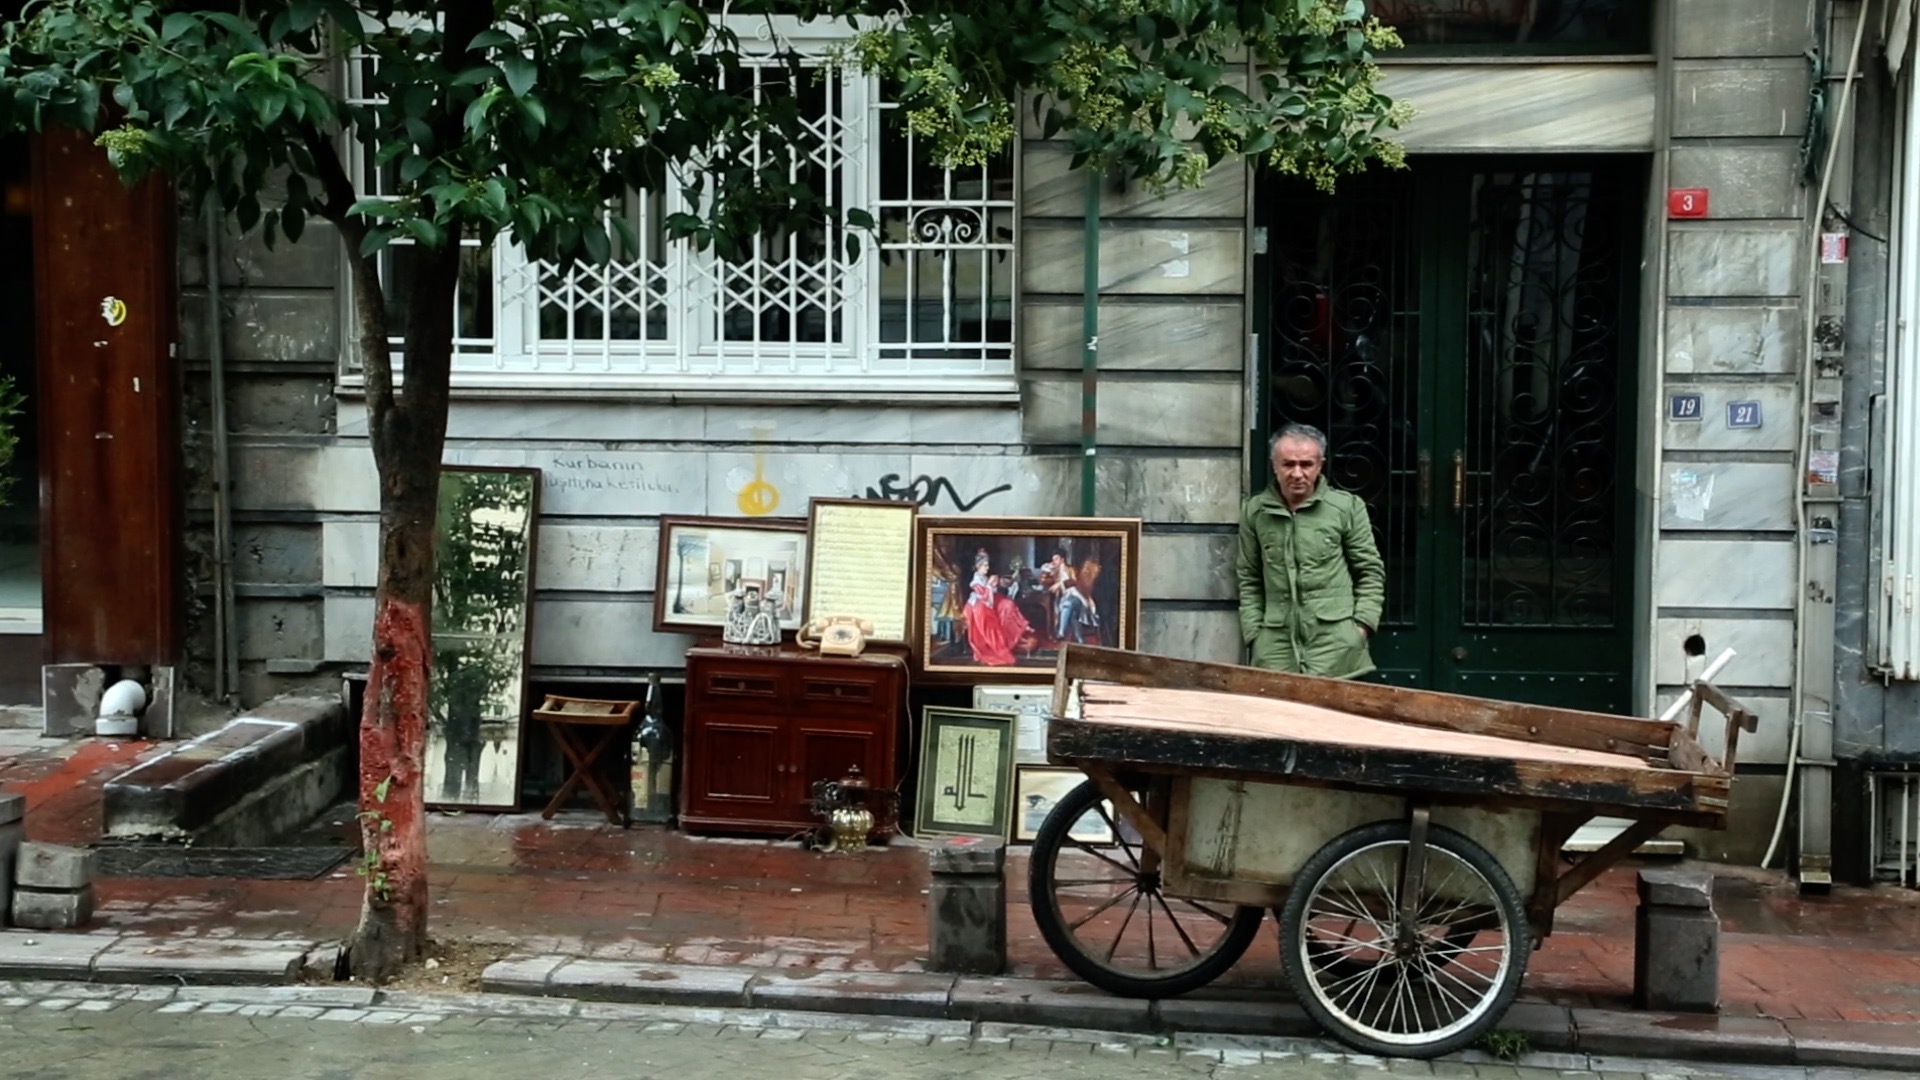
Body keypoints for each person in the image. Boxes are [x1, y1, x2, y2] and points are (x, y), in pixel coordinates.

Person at [1236, 423, 1385, 678]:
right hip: (1275, 651)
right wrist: (1254, 635)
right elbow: (1248, 577)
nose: (1297, 473)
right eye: (1288, 464)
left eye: (1306, 464)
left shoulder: (1346, 508)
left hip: (1337, 650)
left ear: (1320, 465)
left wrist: (1360, 628)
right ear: (1274, 464)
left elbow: (1370, 572)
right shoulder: (1255, 512)